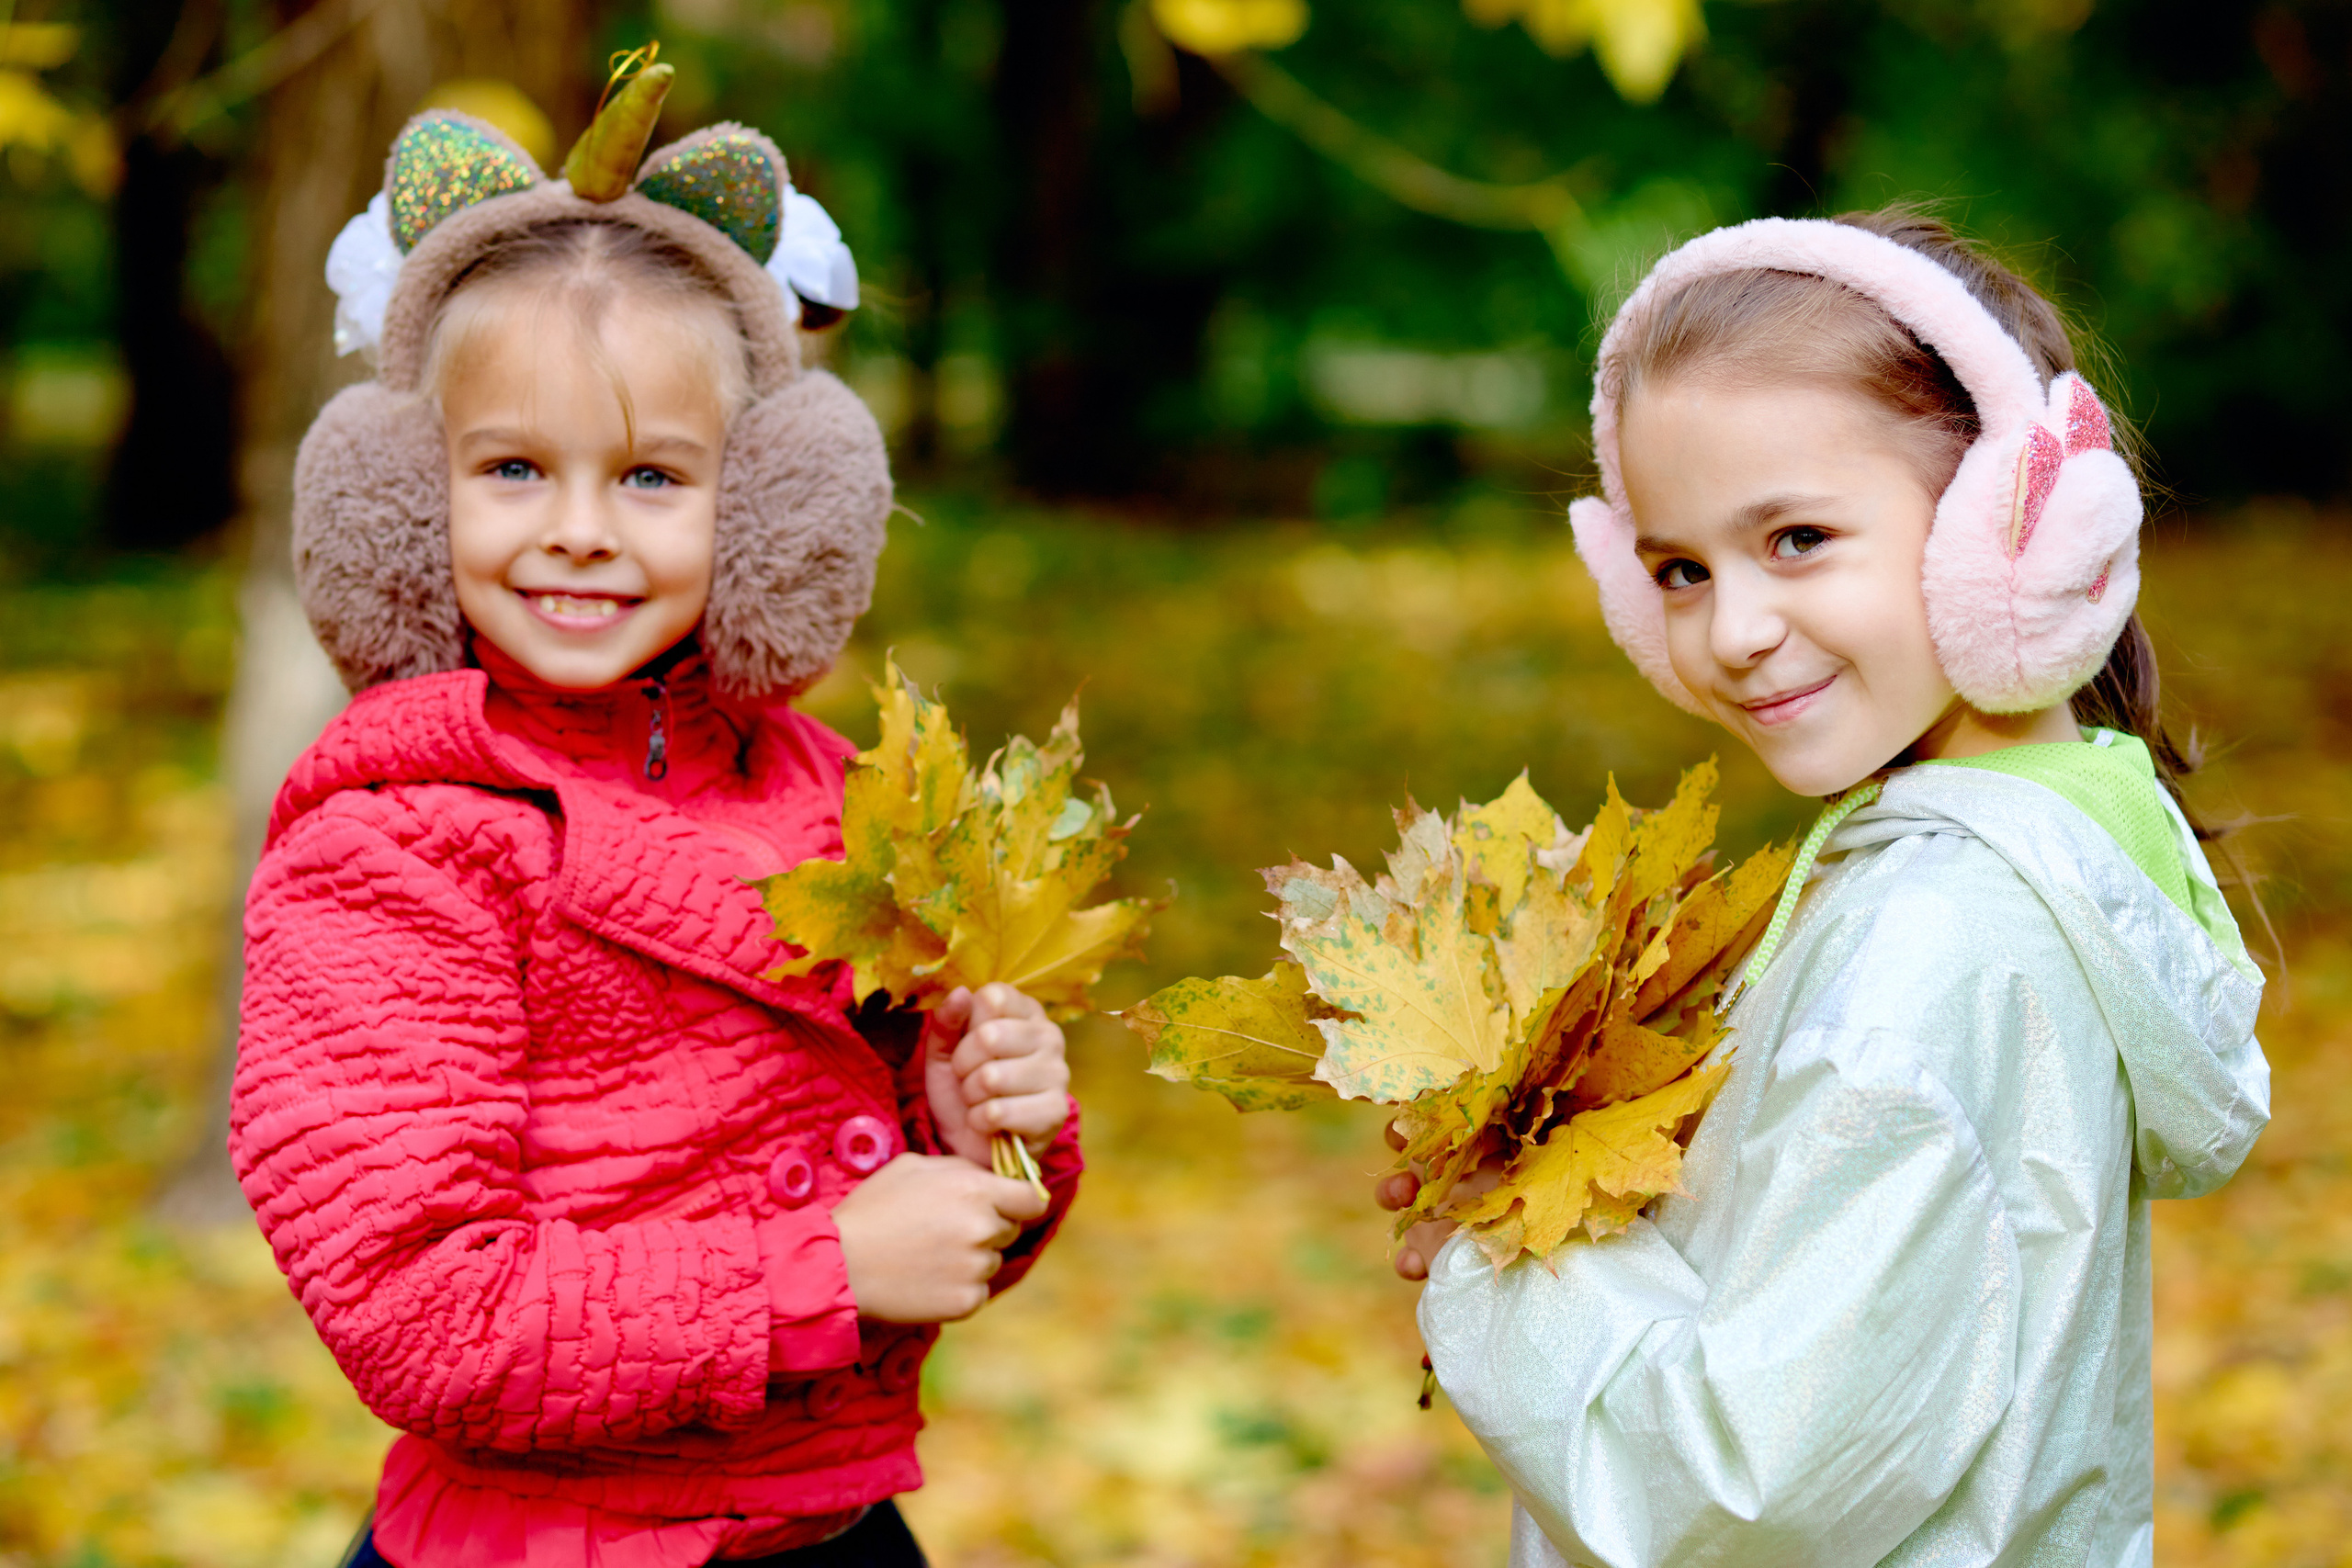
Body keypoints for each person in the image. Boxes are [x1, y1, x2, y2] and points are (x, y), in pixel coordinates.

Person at [231, 98, 1080, 1568]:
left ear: (762, 509)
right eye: (512, 470)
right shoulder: (393, 846)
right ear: (398, 496)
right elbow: (427, 1314)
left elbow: (937, 1254)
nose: (578, 529)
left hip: (835, 1529)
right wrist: (823, 1267)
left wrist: (987, 1136)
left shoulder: (834, 797)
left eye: (649, 477)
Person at [1381, 209, 2269, 1567]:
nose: (1731, 634)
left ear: (2006, 537)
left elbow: (1744, 1494)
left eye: (1796, 539)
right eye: (1680, 570)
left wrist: (1498, 1257)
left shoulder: (1935, 948)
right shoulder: (2039, 862)